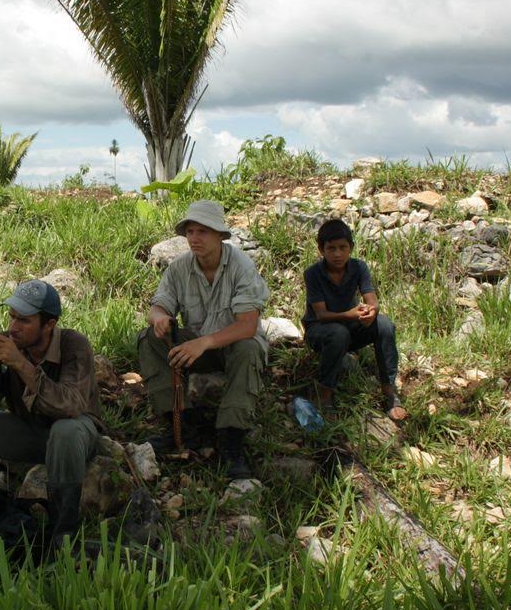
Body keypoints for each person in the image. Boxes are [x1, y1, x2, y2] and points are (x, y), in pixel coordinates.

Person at [0, 279, 102, 549]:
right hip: (30, 432)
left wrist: (20, 364)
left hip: (76, 436)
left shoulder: (74, 345)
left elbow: (71, 406)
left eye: (24, 320)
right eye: (12, 316)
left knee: (65, 431)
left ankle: (63, 534)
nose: (14, 326)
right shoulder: (8, 342)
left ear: (49, 325)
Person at [138, 200, 270, 479]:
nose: (194, 239)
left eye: (203, 232)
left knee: (248, 348)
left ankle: (231, 439)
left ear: (220, 236)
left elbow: (247, 326)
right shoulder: (179, 268)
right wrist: (159, 318)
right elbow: (158, 306)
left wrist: (203, 343)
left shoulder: (241, 266)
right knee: (151, 338)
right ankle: (179, 424)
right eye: (190, 232)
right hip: (200, 346)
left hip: (233, 346)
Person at [302, 219, 407, 420]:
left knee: (384, 325)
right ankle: (324, 395)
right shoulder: (313, 274)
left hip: (350, 328)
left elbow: (372, 301)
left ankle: (389, 392)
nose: (337, 254)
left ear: (351, 247)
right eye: (331, 248)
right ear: (321, 250)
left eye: (343, 247)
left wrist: (371, 312)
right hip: (320, 331)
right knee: (338, 333)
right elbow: (321, 315)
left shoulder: (359, 267)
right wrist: (350, 314)